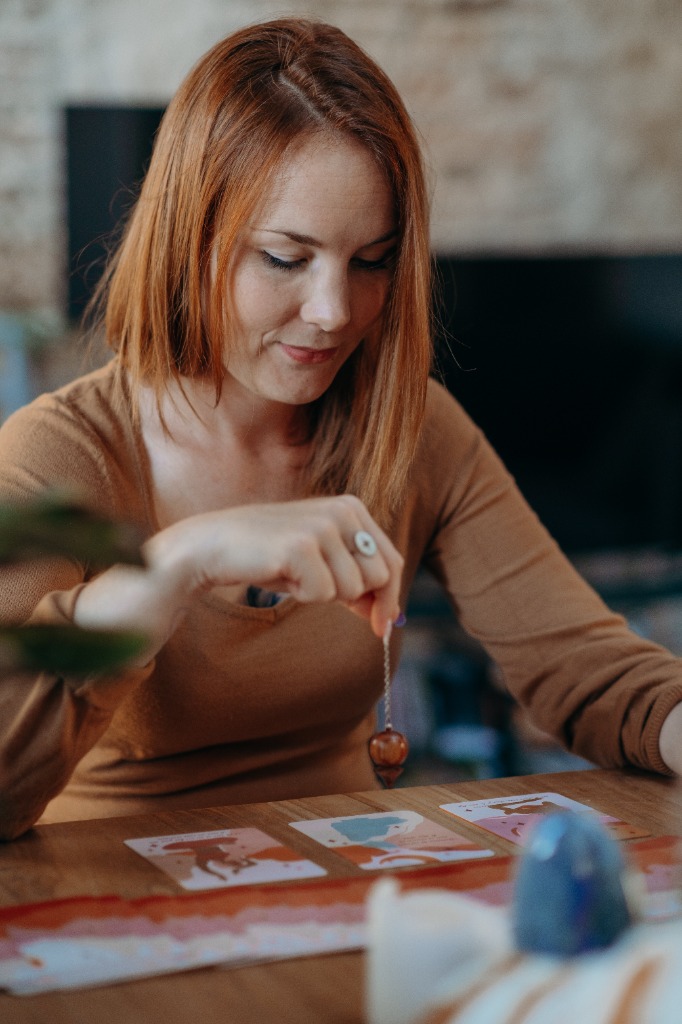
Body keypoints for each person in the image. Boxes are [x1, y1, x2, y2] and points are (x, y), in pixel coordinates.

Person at [1, 17, 681, 842]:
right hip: (119, 906)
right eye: (286, 258)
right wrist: (180, 563)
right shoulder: (59, 457)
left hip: (349, 887)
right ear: (190, 239)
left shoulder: (412, 426)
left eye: (372, 261)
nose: (334, 314)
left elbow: (590, 671)